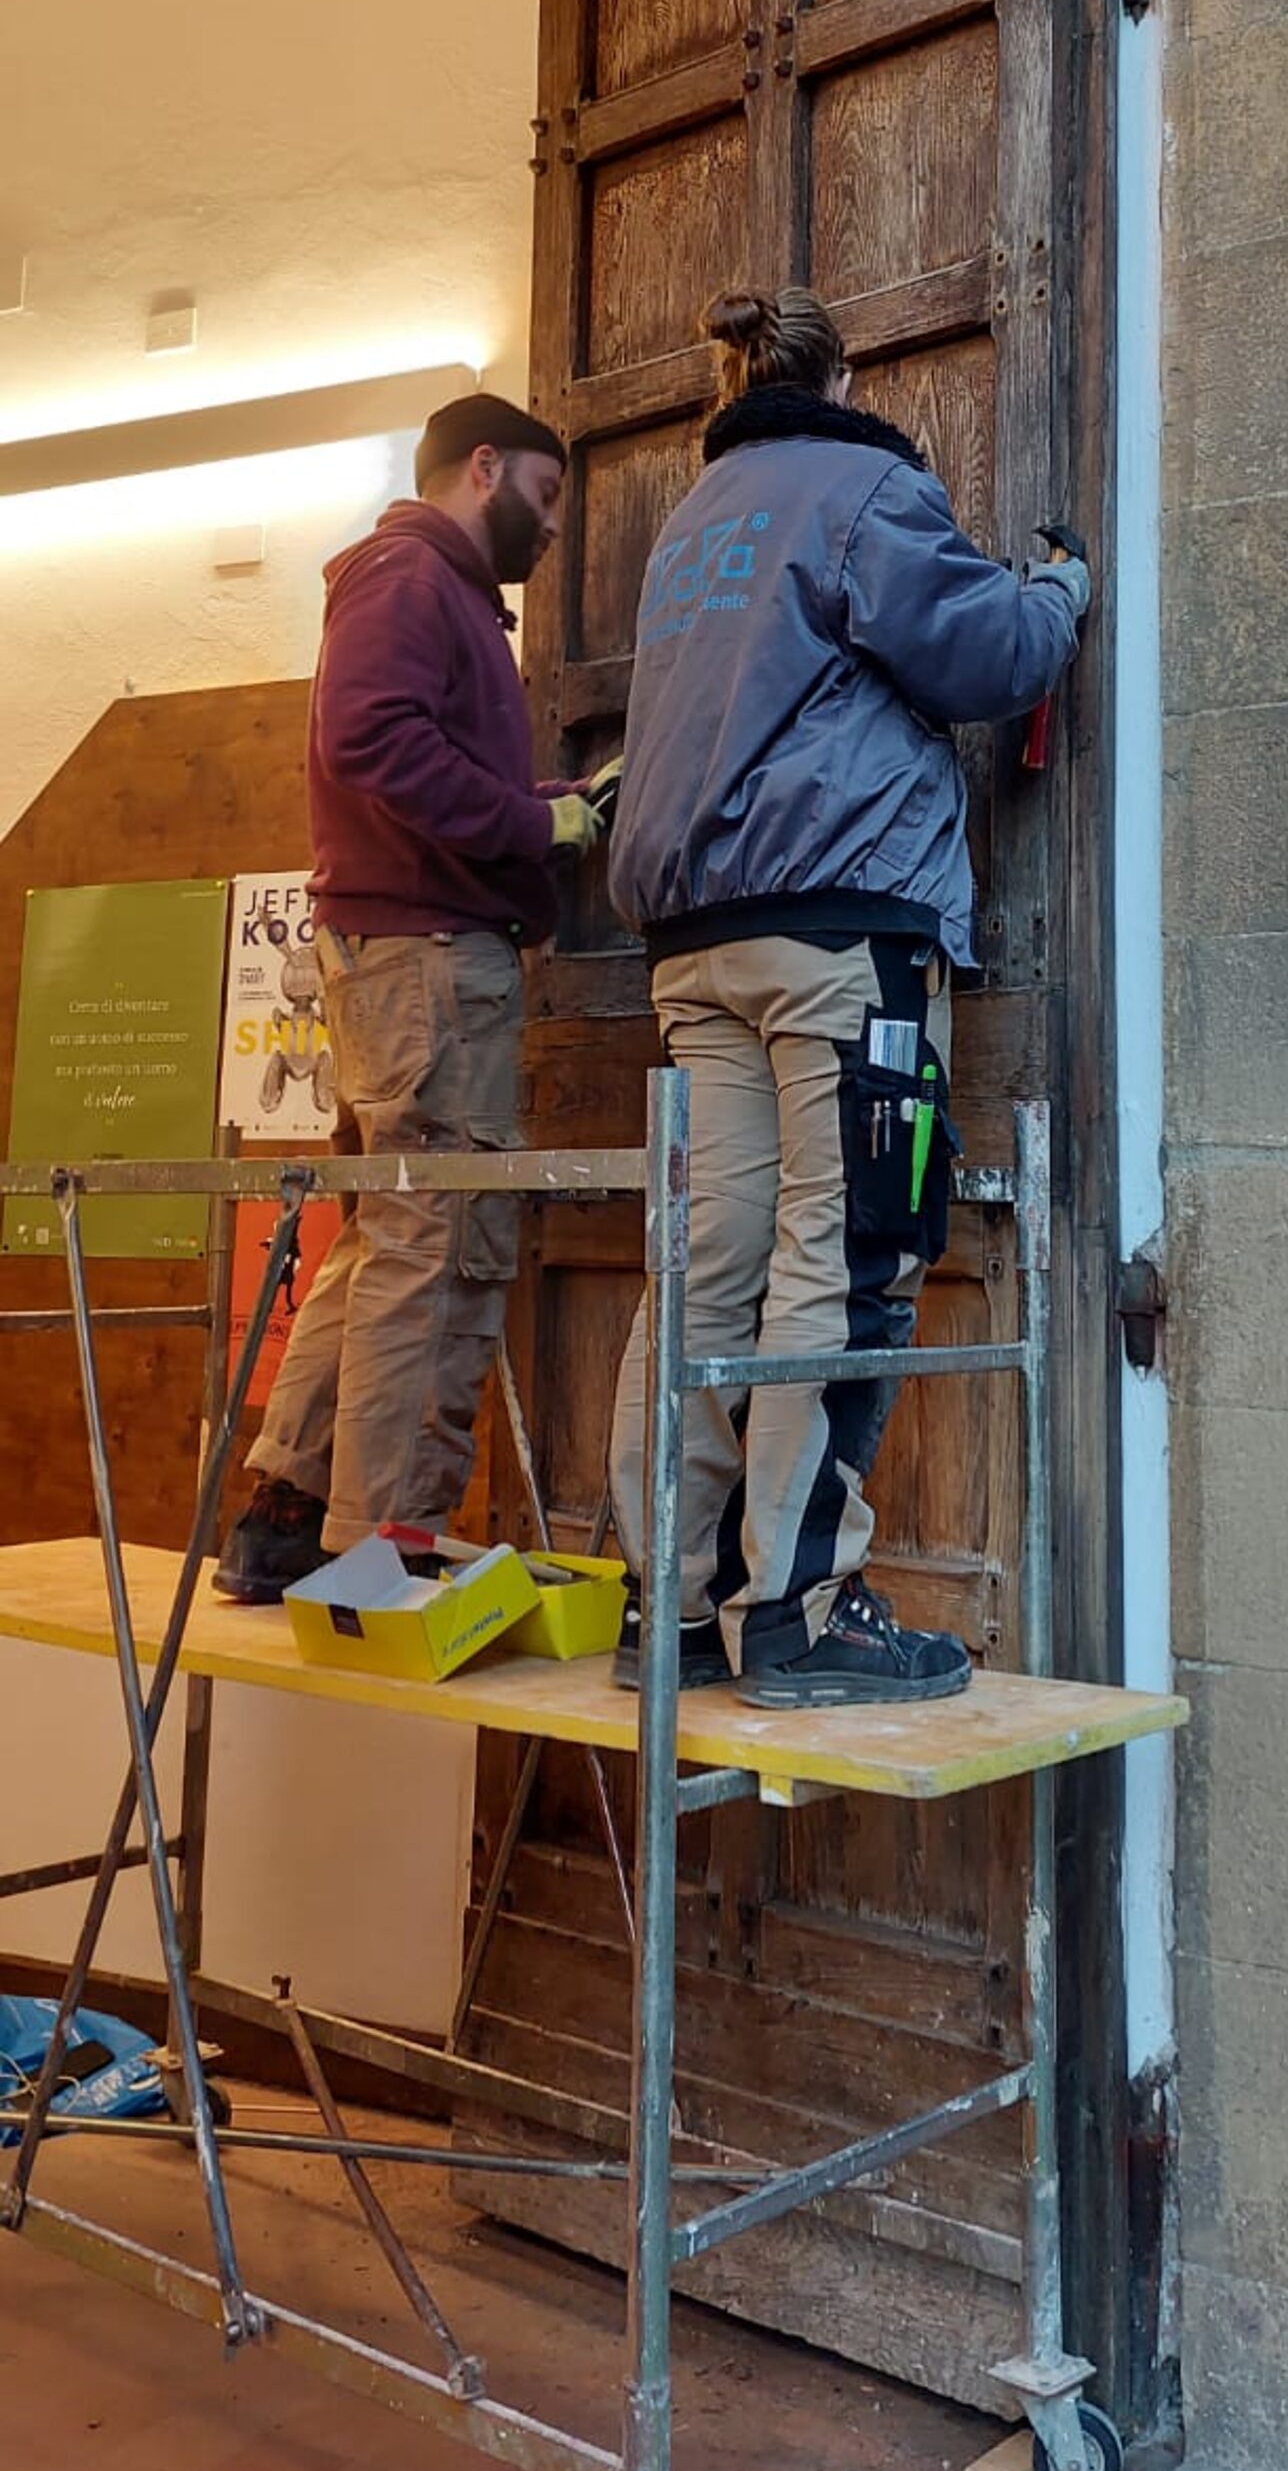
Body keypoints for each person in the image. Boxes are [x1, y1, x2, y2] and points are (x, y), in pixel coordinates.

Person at [606, 287, 1090, 1709]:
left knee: (706, 1262)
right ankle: (800, 1608)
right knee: (846, 1249)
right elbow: (989, 652)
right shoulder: (863, 489)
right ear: (845, 379)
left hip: (695, 946)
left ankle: (669, 1601)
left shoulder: (690, 527)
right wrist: (1058, 591)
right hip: (841, 929)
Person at [215, 393, 605, 1603]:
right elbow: (374, 740)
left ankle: (288, 1510)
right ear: (482, 467)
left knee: (389, 1234)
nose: (553, 526)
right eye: (544, 494)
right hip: (429, 960)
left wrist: (545, 802)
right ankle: (377, 1553)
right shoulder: (412, 578)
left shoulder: (416, 585)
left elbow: (401, 753)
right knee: (439, 1245)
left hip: (399, 957)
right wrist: (531, 825)